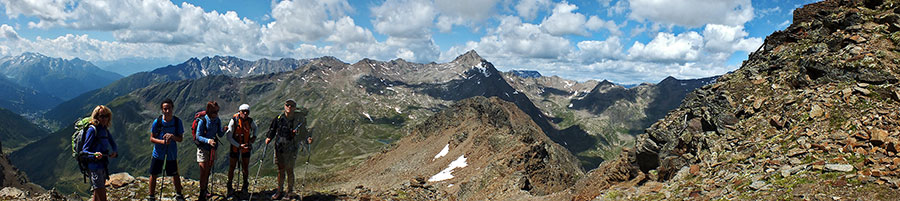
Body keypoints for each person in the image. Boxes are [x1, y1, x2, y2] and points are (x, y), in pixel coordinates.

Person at [265, 99, 312, 200]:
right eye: (288, 105)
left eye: (292, 105)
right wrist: (269, 137)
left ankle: (289, 191)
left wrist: (307, 138)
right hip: (280, 148)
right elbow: (272, 129)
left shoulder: (298, 120)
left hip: (292, 148)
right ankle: (279, 190)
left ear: (295, 108)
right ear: (284, 106)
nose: (289, 107)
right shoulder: (278, 119)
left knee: (289, 170)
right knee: (281, 170)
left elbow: (303, 131)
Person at [148, 99, 186, 201]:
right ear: (162, 110)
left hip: (171, 153)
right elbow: (151, 138)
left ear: (172, 108)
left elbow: (180, 139)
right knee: (154, 174)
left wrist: (172, 137)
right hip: (158, 153)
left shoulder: (178, 122)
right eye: (165, 109)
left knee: (175, 174)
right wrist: (163, 142)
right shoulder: (158, 122)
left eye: (169, 108)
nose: (167, 111)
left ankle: (179, 194)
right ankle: (151, 196)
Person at [81, 105, 118, 201]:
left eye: (106, 116)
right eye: (102, 116)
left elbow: (113, 143)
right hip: (94, 167)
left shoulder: (105, 130)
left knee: (97, 197)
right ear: (96, 117)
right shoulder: (92, 130)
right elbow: (84, 151)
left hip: (102, 165)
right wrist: (94, 154)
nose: (104, 119)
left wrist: (114, 151)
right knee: (102, 197)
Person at [225, 104, 257, 195]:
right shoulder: (234, 121)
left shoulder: (250, 121)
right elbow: (229, 136)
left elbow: (255, 128)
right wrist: (238, 145)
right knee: (232, 167)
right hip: (235, 147)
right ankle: (229, 185)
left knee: (245, 167)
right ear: (239, 112)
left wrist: (254, 137)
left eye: (247, 112)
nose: (245, 113)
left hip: (245, 147)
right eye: (243, 111)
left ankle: (245, 185)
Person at [196, 101, 224, 201]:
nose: (216, 114)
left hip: (212, 149)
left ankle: (204, 190)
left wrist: (224, 130)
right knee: (203, 171)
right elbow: (198, 136)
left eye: (217, 111)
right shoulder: (203, 121)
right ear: (209, 111)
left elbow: (220, 134)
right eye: (214, 112)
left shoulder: (217, 120)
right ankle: (202, 193)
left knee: (207, 171)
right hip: (203, 148)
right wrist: (208, 141)